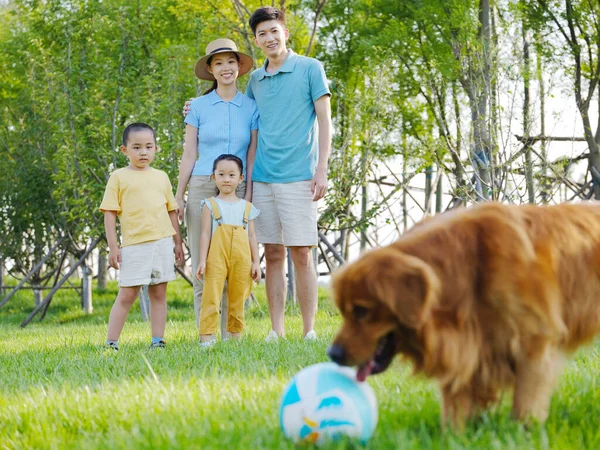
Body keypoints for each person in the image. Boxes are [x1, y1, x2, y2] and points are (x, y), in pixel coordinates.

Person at [184, 8, 332, 341]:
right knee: (273, 253)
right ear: (256, 40)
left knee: (302, 252)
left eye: (274, 31)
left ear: (286, 33)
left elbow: (325, 121)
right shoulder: (256, 81)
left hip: (299, 176)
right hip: (262, 177)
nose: (269, 38)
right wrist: (193, 107)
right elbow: (233, 107)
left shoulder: (310, 68)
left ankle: (309, 330)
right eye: (262, 34)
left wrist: (322, 167)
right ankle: (276, 329)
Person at [175, 38, 258, 340]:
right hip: (201, 186)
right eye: (218, 62)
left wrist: (248, 194)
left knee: (235, 264)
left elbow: (252, 153)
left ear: (239, 67)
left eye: (231, 62)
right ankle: (206, 337)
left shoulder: (251, 107)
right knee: (204, 264)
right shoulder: (196, 107)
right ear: (210, 69)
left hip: (237, 190)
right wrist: (179, 195)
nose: (226, 68)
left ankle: (231, 337)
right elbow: (188, 154)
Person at [100, 122, 184, 351]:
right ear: (124, 150)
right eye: (136, 147)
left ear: (156, 149)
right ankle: (111, 343)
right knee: (127, 294)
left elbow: (171, 211)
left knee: (159, 292)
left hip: (163, 243)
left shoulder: (162, 177)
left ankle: (158, 341)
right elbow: (109, 213)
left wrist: (178, 242)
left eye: (148, 146)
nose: (143, 152)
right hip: (135, 245)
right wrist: (113, 246)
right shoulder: (118, 177)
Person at [196, 154, 260, 347]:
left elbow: (252, 237)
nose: (226, 179)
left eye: (232, 175)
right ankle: (207, 339)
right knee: (211, 296)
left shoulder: (247, 207)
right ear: (213, 177)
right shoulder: (209, 205)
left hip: (242, 258)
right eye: (221, 174)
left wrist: (256, 262)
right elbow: (205, 234)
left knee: (238, 297)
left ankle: (234, 338)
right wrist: (202, 260)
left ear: (240, 178)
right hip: (216, 256)